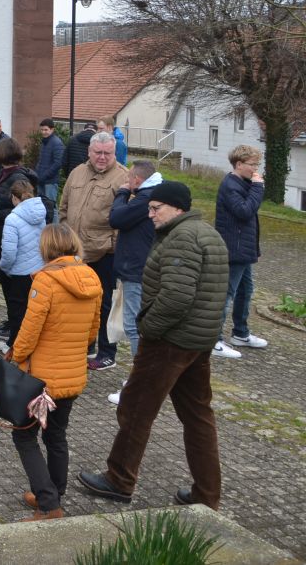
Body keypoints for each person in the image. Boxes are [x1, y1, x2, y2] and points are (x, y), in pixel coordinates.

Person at [79, 181, 228, 510]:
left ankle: (119, 480)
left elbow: (176, 297)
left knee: (135, 410)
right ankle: (207, 495)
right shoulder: (207, 234)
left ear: (178, 208)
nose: (150, 214)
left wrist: (148, 329)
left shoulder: (182, 237)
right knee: (198, 417)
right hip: (198, 341)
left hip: (169, 343)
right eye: (149, 208)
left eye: (156, 208)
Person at [7, 224, 102, 521]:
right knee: (56, 435)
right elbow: (93, 331)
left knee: (24, 436)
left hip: (42, 380)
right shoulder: (91, 276)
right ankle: (53, 494)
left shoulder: (45, 280)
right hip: (72, 375)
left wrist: (16, 356)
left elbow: (29, 329)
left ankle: (49, 504)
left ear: (46, 248)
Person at [60, 131, 128, 370]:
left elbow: (126, 218)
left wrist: (112, 244)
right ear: (89, 151)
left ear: (114, 153)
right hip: (76, 252)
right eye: (98, 152)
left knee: (105, 303)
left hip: (105, 253)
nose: (102, 157)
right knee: (79, 302)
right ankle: (85, 345)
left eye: (107, 153)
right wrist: (66, 235)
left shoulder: (123, 178)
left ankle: (107, 352)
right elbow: (64, 206)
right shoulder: (77, 172)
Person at [106, 160, 161, 404]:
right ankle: (144, 378)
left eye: (129, 179)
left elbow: (116, 218)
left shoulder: (144, 198)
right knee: (137, 325)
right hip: (140, 268)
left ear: (137, 180)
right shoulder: (152, 194)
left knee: (133, 326)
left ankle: (140, 385)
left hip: (136, 271)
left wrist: (121, 192)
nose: (127, 182)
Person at [213, 144, 269, 358]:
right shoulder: (231, 185)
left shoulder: (243, 183)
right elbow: (245, 211)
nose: (256, 169)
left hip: (243, 249)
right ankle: (214, 340)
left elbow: (249, 217)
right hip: (233, 249)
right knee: (226, 294)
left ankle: (240, 333)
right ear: (239, 164)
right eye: (252, 164)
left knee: (246, 290)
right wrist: (258, 188)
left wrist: (254, 249)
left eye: (257, 164)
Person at [0, 181, 46, 347]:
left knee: (17, 311)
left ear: (14, 198)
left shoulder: (12, 219)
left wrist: (4, 268)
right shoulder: (41, 214)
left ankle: (14, 345)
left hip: (19, 272)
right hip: (38, 271)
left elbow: (9, 252)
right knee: (32, 311)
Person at [36, 118, 65, 215]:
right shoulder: (45, 142)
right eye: (42, 130)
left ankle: (54, 224)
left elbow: (58, 163)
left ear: (52, 130)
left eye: (46, 130)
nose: (43, 132)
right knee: (41, 206)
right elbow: (41, 161)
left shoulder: (57, 143)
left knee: (51, 207)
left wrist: (45, 175)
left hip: (50, 182)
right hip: (41, 180)